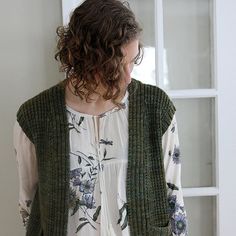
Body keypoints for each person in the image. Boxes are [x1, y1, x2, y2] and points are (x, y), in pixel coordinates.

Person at [13, 0, 188, 235]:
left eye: (132, 62)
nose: (128, 76)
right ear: (87, 59)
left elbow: (173, 200)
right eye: (118, 66)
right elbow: (29, 205)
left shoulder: (156, 108)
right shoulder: (35, 117)